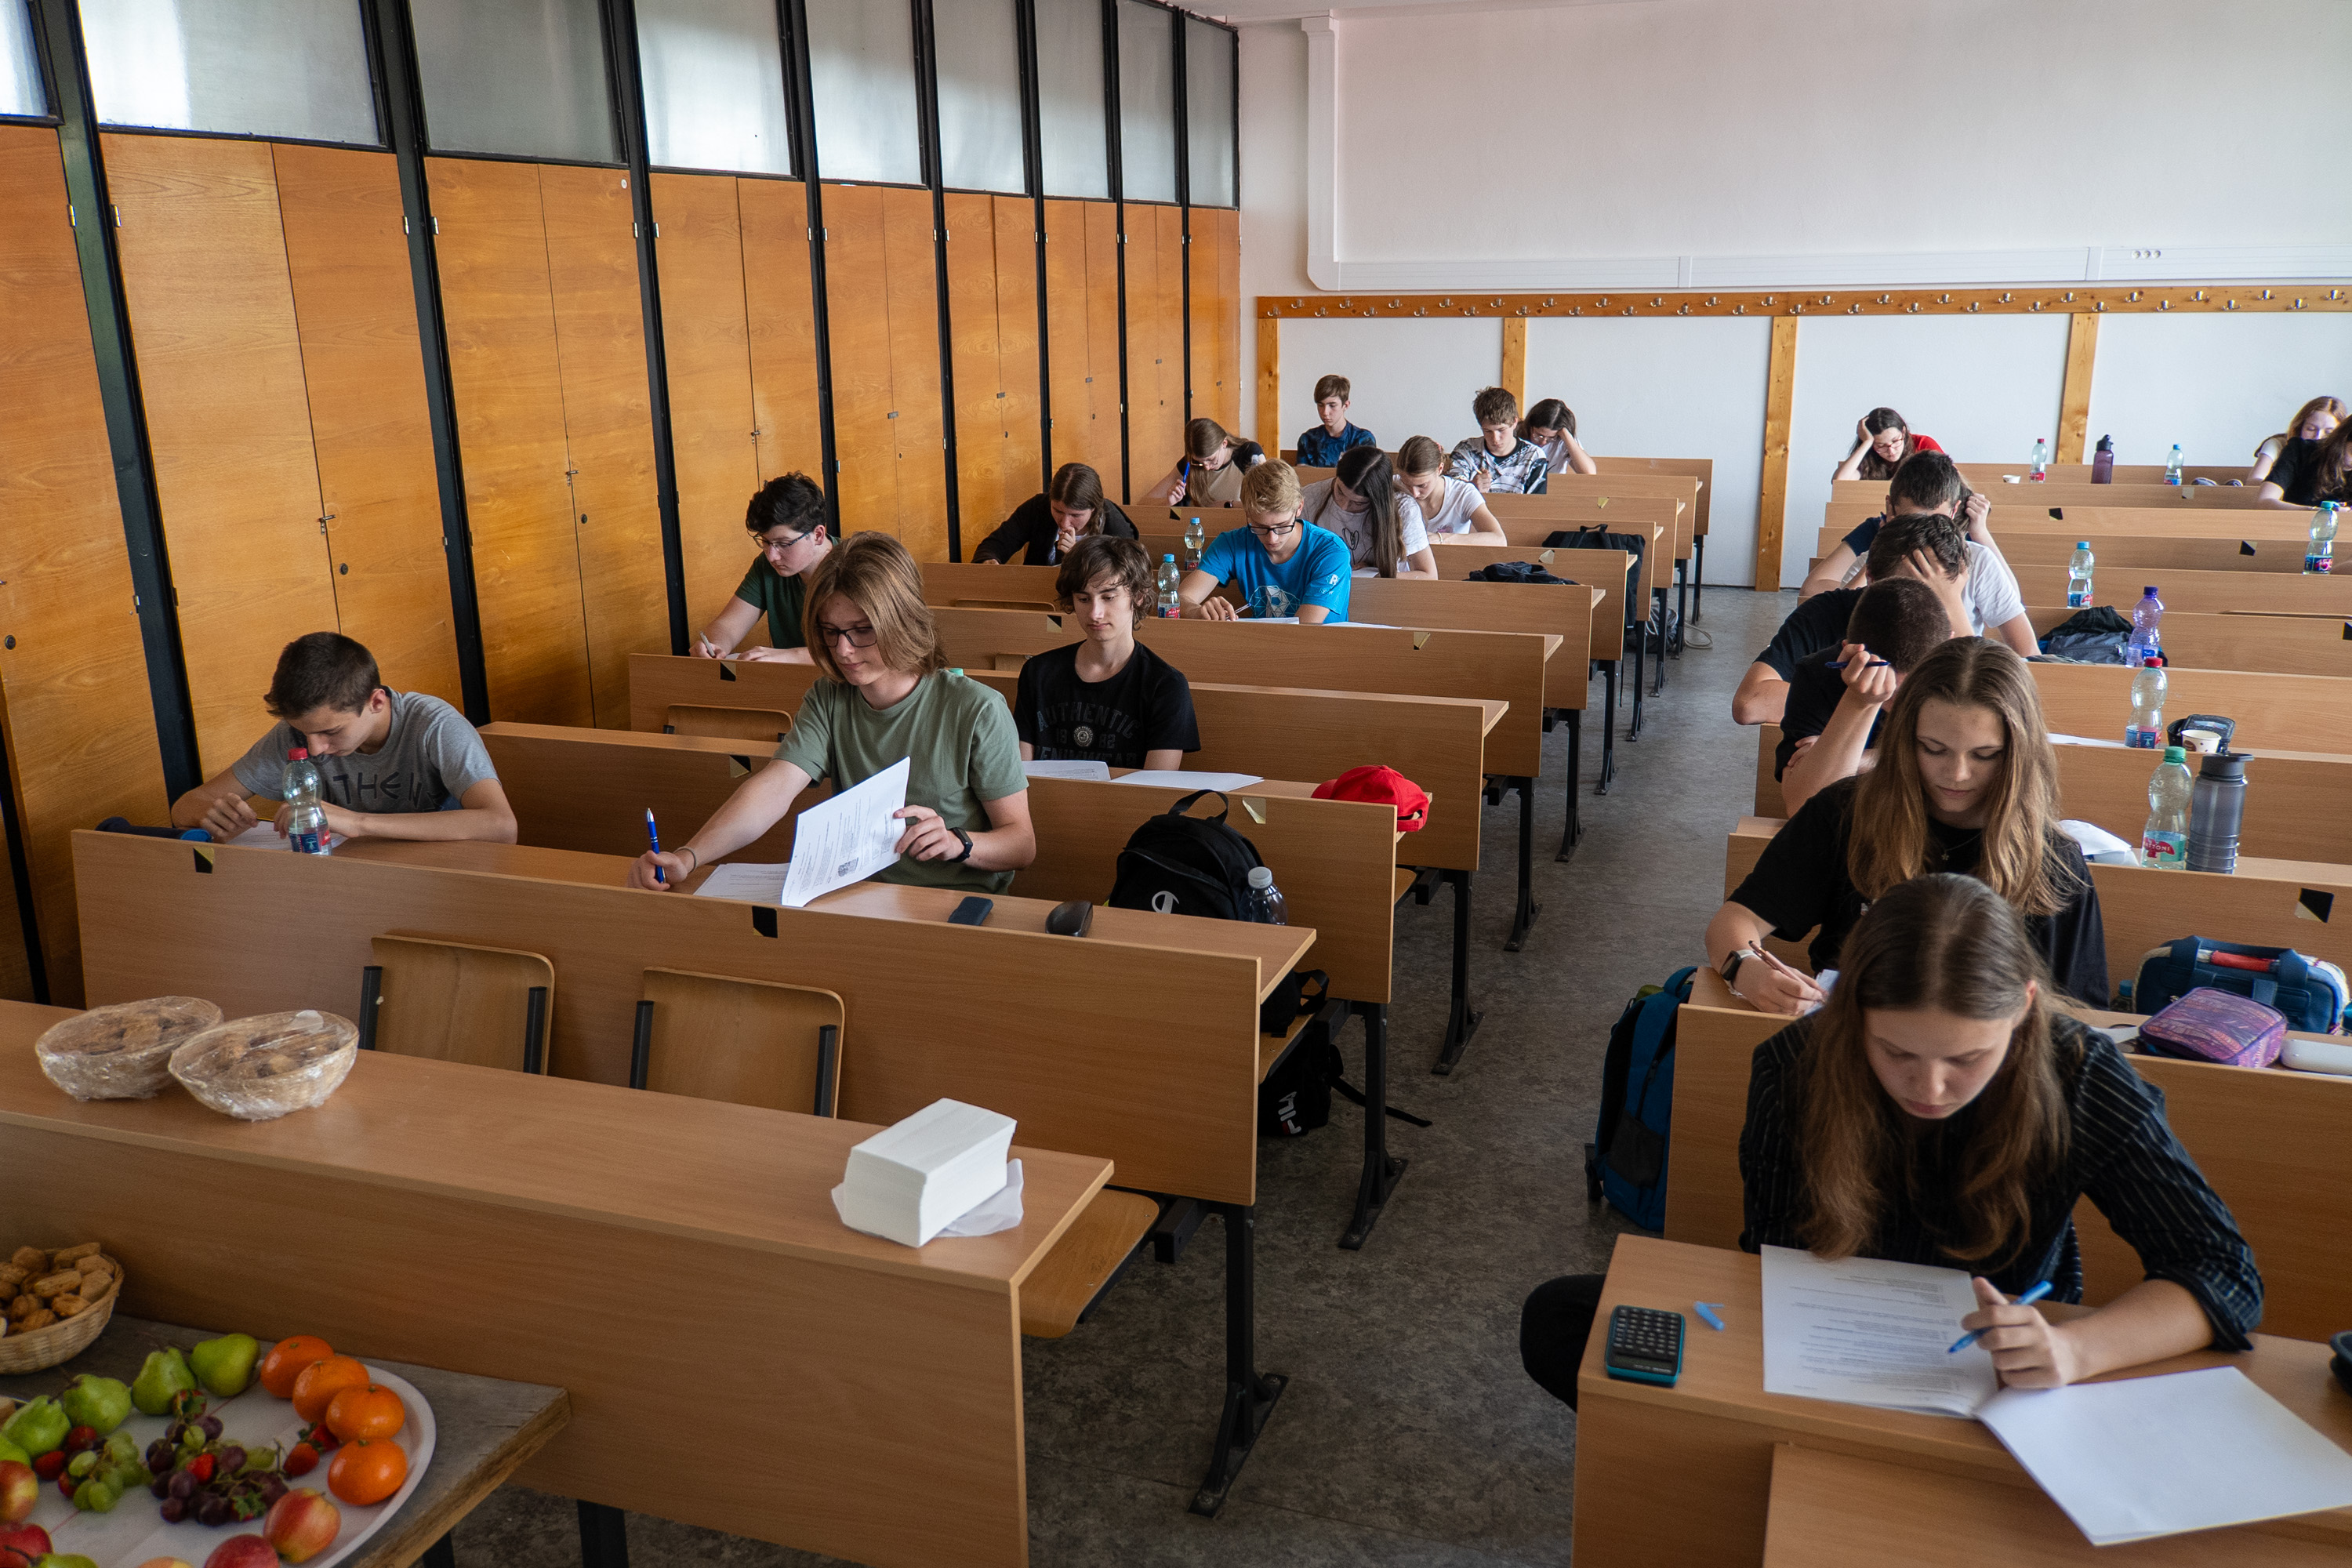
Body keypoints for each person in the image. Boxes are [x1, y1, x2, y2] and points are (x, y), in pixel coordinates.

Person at [1523, 875, 2255, 1411]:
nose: (1929, 1088)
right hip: (1831, 1342)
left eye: (1968, 1059)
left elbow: (2222, 1271)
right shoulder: (1797, 1065)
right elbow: (1775, 1252)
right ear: (1853, 1014)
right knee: (1561, 1320)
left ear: (2023, 1011)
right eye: (1896, 1052)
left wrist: (2074, 1349)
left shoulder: (2079, 1072)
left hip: (2002, 1372)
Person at [1714, 633, 2111, 1009]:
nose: (1957, 774)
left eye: (1984, 755)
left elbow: (2081, 1015)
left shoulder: (2054, 860)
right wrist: (1746, 970)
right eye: (1934, 749)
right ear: (1906, 739)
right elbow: (1734, 921)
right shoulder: (1845, 812)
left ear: (2017, 753)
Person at [630, 533, 1034, 896]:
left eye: (862, 630)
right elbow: (773, 788)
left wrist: (959, 842)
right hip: (860, 895)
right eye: (830, 631)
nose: (843, 650)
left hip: (955, 902)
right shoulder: (830, 697)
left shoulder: (977, 709)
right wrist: (689, 857)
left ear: (902, 620)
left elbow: (1021, 844)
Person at [170, 633, 515, 845]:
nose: (315, 748)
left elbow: (501, 826)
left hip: (440, 875)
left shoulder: (434, 725)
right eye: (305, 732)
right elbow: (185, 807)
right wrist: (217, 816)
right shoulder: (299, 732)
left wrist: (357, 823)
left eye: (331, 732)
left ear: (376, 702)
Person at [1011, 536, 1200, 770]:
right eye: (1083, 599)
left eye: (1108, 597)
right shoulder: (1037, 673)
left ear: (1138, 597)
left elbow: (1156, 786)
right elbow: (1019, 775)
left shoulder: (1166, 685)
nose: (1095, 613)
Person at [1776, 572, 1957, 813]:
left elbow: (1966, 767)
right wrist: (1860, 701)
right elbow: (1802, 808)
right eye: (1891, 691)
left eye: (1914, 687)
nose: (1898, 702)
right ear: (1848, 651)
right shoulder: (1818, 675)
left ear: (1948, 645)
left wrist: (1863, 759)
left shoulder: (1963, 675)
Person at [1798, 450, 2005, 615]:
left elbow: (2008, 599)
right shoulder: (1875, 531)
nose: (1922, 531)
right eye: (1910, 519)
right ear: (1891, 510)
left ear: (1952, 512)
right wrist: (1878, 558)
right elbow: (1814, 588)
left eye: (1935, 520)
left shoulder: (1963, 541)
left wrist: (1980, 533)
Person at [1178, 460, 1352, 624]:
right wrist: (1197, 611)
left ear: (1299, 508)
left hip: (1314, 645)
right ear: (1247, 513)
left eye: (1282, 526)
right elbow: (1180, 599)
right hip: (1263, 641)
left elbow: (1303, 630)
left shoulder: (1331, 552)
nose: (1272, 539)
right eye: (1260, 526)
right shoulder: (1232, 543)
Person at [692, 473, 832, 663]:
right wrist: (714, 645)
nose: (772, 556)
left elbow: (866, 649)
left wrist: (792, 656)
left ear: (817, 535)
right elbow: (728, 626)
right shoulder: (767, 566)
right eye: (765, 542)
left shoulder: (858, 567)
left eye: (784, 543)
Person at [1301, 445, 1436, 578]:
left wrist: (1385, 577)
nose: (1344, 506)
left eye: (1359, 503)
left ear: (1378, 500)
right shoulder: (1311, 497)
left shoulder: (1403, 508)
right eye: (1340, 492)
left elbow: (1429, 575)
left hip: (1382, 588)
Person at [971, 463, 1136, 565]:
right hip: (1035, 594)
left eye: (1075, 516)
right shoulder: (1038, 507)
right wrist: (989, 559)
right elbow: (996, 544)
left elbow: (1124, 578)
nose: (1064, 523)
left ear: (1094, 509)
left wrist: (1077, 557)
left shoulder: (1116, 528)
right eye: (1057, 511)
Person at [1444, 387, 1551, 495]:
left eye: (1501, 430)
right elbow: (1450, 495)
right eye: (1488, 431)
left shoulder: (1534, 457)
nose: (1495, 439)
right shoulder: (1466, 451)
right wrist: (1471, 487)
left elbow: (1536, 502)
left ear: (1514, 422)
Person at [1396, 435, 1503, 539]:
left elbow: (1498, 539)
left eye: (1422, 485)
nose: (1415, 494)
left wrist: (1442, 538)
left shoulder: (1463, 493)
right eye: (1406, 483)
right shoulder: (1392, 485)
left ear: (1439, 469)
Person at [1145, 418, 1266, 510]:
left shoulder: (1249, 453)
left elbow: (1266, 502)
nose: (1207, 467)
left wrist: (1228, 505)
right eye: (1199, 462)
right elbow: (1144, 503)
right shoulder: (1190, 463)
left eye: (1211, 460)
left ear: (1224, 444)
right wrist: (1168, 502)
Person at [2247, 396, 2344, 488]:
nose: (2318, 437)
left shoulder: (2344, 453)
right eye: (2311, 429)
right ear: (2299, 427)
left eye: (2329, 433)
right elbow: (2254, 481)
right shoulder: (2279, 444)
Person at [2256, 419, 2351, 510]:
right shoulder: (2300, 450)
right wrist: (2319, 511)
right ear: (2340, 441)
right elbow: (2264, 502)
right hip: (2295, 520)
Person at [1831, 406, 1942, 484]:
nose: (1891, 451)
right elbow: (1839, 482)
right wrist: (1867, 443)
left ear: (1903, 432)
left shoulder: (1923, 444)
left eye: (1895, 441)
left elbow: (1946, 479)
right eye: (1881, 446)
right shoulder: (1869, 453)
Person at [1294, 374, 1378, 468]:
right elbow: (1302, 474)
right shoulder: (1308, 439)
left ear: (1346, 405)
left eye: (1332, 405)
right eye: (1320, 405)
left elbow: (1366, 475)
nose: (1325, 412)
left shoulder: (1363, 439)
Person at [1519, 397, 1597, 476]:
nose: (1543, 442)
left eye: (1551, 438)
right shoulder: (1517, 432)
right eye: (1539, 435)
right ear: (1530, 426)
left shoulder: (1563, 440)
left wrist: (1566, 436)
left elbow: (1589, 473)